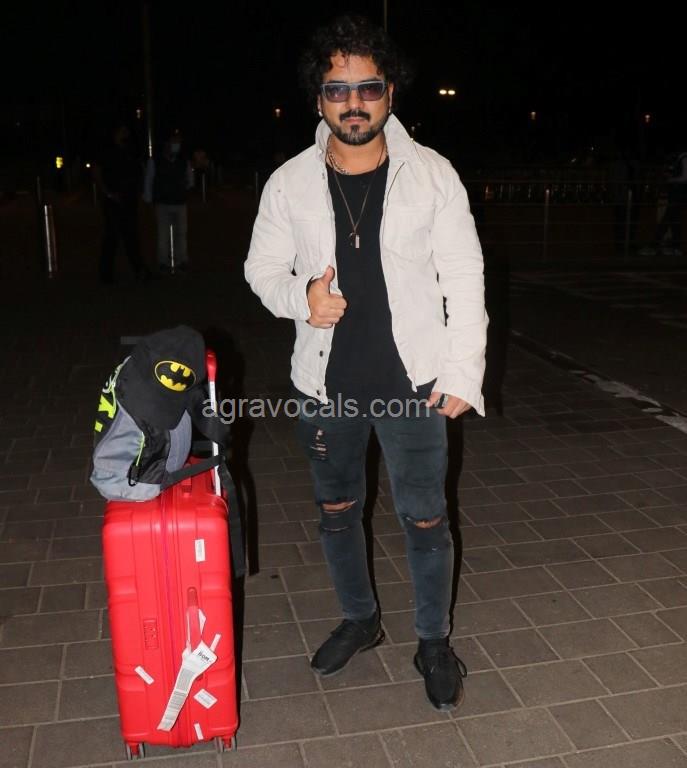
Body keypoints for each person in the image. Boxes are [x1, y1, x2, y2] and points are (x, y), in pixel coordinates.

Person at [244, 15, 487, 711]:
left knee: (425, 518)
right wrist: (302, 297)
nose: (353, 102)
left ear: (390, 93)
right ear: (318, 98)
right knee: (336, 511)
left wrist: (463, 372)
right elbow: (261, 270)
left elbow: (464, 277)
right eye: (336, 89)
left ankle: (433, 641)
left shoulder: (431, 174)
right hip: (327, 386)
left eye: (368, 87)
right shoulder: (289, 182)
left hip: (415, 385)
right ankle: (360, 619)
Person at [93, 121, 145, 284]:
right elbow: (97, 172)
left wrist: (138, 190)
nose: (125, 134)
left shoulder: (130, 150)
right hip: (113, 200)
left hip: (129, 198)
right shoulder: (106, 151)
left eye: (126, 131)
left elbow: (138, 170)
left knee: (131, 235)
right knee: (112, 236)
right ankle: (106, 274)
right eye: (122, 131)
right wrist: (107, 192)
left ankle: (139, 270)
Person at [143, 128, 194, 272]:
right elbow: (149, 180)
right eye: (174, 142)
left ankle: (182, 259)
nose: (177, 145)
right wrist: (148, 199)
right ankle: (163, 261)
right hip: (163, 202)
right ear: (167, 143)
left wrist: (183, 188)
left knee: (181, 233)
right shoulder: (155, 161)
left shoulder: (183, 161)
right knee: (163, 234)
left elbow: (190, 179)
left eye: (178, 142)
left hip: (179, 202)